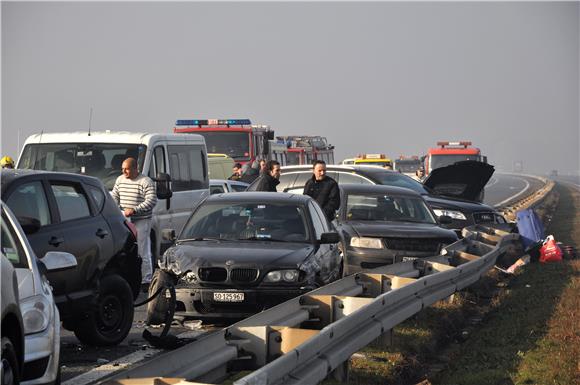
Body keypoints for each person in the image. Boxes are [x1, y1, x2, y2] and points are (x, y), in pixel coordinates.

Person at [111, 157, 158, 292]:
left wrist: (135, 210)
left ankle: (145, 279)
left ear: (135, 168)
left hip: (141, 220)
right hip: (125, 219)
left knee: (142, 249)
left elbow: (151, 200)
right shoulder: (120, 180)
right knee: (126, 248)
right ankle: (128, 276)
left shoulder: (145, 181)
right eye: (122, 169)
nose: (124, 172)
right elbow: (114, 196)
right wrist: (113, 208)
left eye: (126, 169)